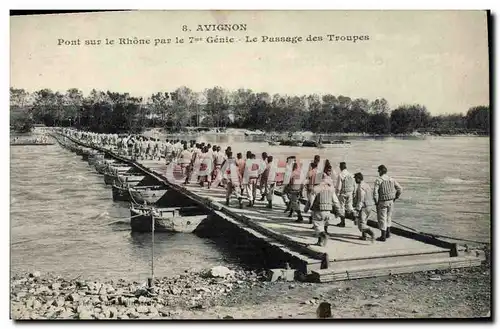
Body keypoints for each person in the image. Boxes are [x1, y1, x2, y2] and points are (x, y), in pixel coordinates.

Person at [308, 164, 340, 247]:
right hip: (328, 210)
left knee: (317, 225)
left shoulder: (317, 188)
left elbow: (311, 199)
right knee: (323, 225)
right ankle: (320, 242)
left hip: (318, 209)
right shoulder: (331, 188)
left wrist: (307, 208)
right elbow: (336, 201)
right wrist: (338, 210)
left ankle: (323, 236)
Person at [373, 165, 403, 242]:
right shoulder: (392, 179)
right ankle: (388, 233)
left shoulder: (379, 180)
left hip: (383, 201)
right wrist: (396, 197)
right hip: (391, 201)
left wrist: (376, 202)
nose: (378, 172)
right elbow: (400, 189)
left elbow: (375, 193)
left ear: (380, 171)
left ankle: (383, 236)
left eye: (378, 171)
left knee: (382, 218)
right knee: (389, 217)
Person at [353, 172, 375, 242]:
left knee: (361, 224)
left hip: (364, 206)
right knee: (365, 221)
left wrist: (357, 209)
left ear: (359, 179)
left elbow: (361, 199)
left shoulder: (360, 187)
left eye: (355, 179)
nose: (355, 180)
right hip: (370, 205)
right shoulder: (367, 185)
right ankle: (364, 236)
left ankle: (371, 232)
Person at [335, 162, 356, 228]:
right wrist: (354, 192)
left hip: (343, 193)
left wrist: (337, 194)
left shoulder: (340, 175)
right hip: (350, 192)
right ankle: (354, 215)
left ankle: (342, 222)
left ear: (340, 167)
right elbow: (354, 185)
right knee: (350, 206)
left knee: (342, 207)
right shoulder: (351, 174)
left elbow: (338, 186)